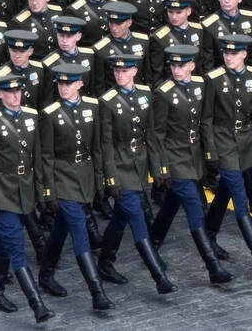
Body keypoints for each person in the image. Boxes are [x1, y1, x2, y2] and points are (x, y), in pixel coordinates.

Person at [148, 45, 235, 284]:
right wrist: (161, 168)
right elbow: (157, 135)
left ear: (191, 66)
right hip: (175, 159)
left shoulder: (199, 86)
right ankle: (213, 267)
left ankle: (153, 241)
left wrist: (210, 153)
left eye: (181, 65)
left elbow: (204, 122)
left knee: (171, 204)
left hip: (193, 157)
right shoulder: (164, 93)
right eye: (173, 66)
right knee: (196, 209)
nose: (176, 70)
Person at [96, 54, 177, 294]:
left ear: (134, 71)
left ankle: (105, 261)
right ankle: (159, 276)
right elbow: (106, 145)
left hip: (139, 167)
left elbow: (151, 135)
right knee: (137, 218)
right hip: (120, 168)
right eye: (116, 71)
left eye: (124, 71)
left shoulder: (144, 94)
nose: (119, 75)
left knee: (121, 217)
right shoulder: (108, 101)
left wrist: (159, 168)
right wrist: (110, 179)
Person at [0, 74, 55, 323]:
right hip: (3, 192)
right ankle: (37, 305)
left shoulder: (32, 117)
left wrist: (44, 190)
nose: (14, 96)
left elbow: (38, 158)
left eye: (18, 92)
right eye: (8, 92)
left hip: (25, 190)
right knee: (17, 249)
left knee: (4, 245)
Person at [37, 63, 113, 311]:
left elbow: (98, 147)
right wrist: (47, 191)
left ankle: (46, 274)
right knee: (80, 231)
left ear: (80, 83)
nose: (63, 88)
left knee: (61, 229)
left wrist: (101, 180)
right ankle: (96, 291)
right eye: (59, 83)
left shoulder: (92, 106)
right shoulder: (50, 113)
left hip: (86, 176)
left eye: (68, 83)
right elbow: (45, 156)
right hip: (63, 177)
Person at [201, 34, 252, 272]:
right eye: (226, 53)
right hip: (223, 141)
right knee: (239, 198)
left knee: (225, 192)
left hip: (246, 142)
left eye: (234, 53)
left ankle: (209, 235)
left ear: (244, 54)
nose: (229, 57)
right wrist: (211, 151)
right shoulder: (213, 79)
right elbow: (207, 119)